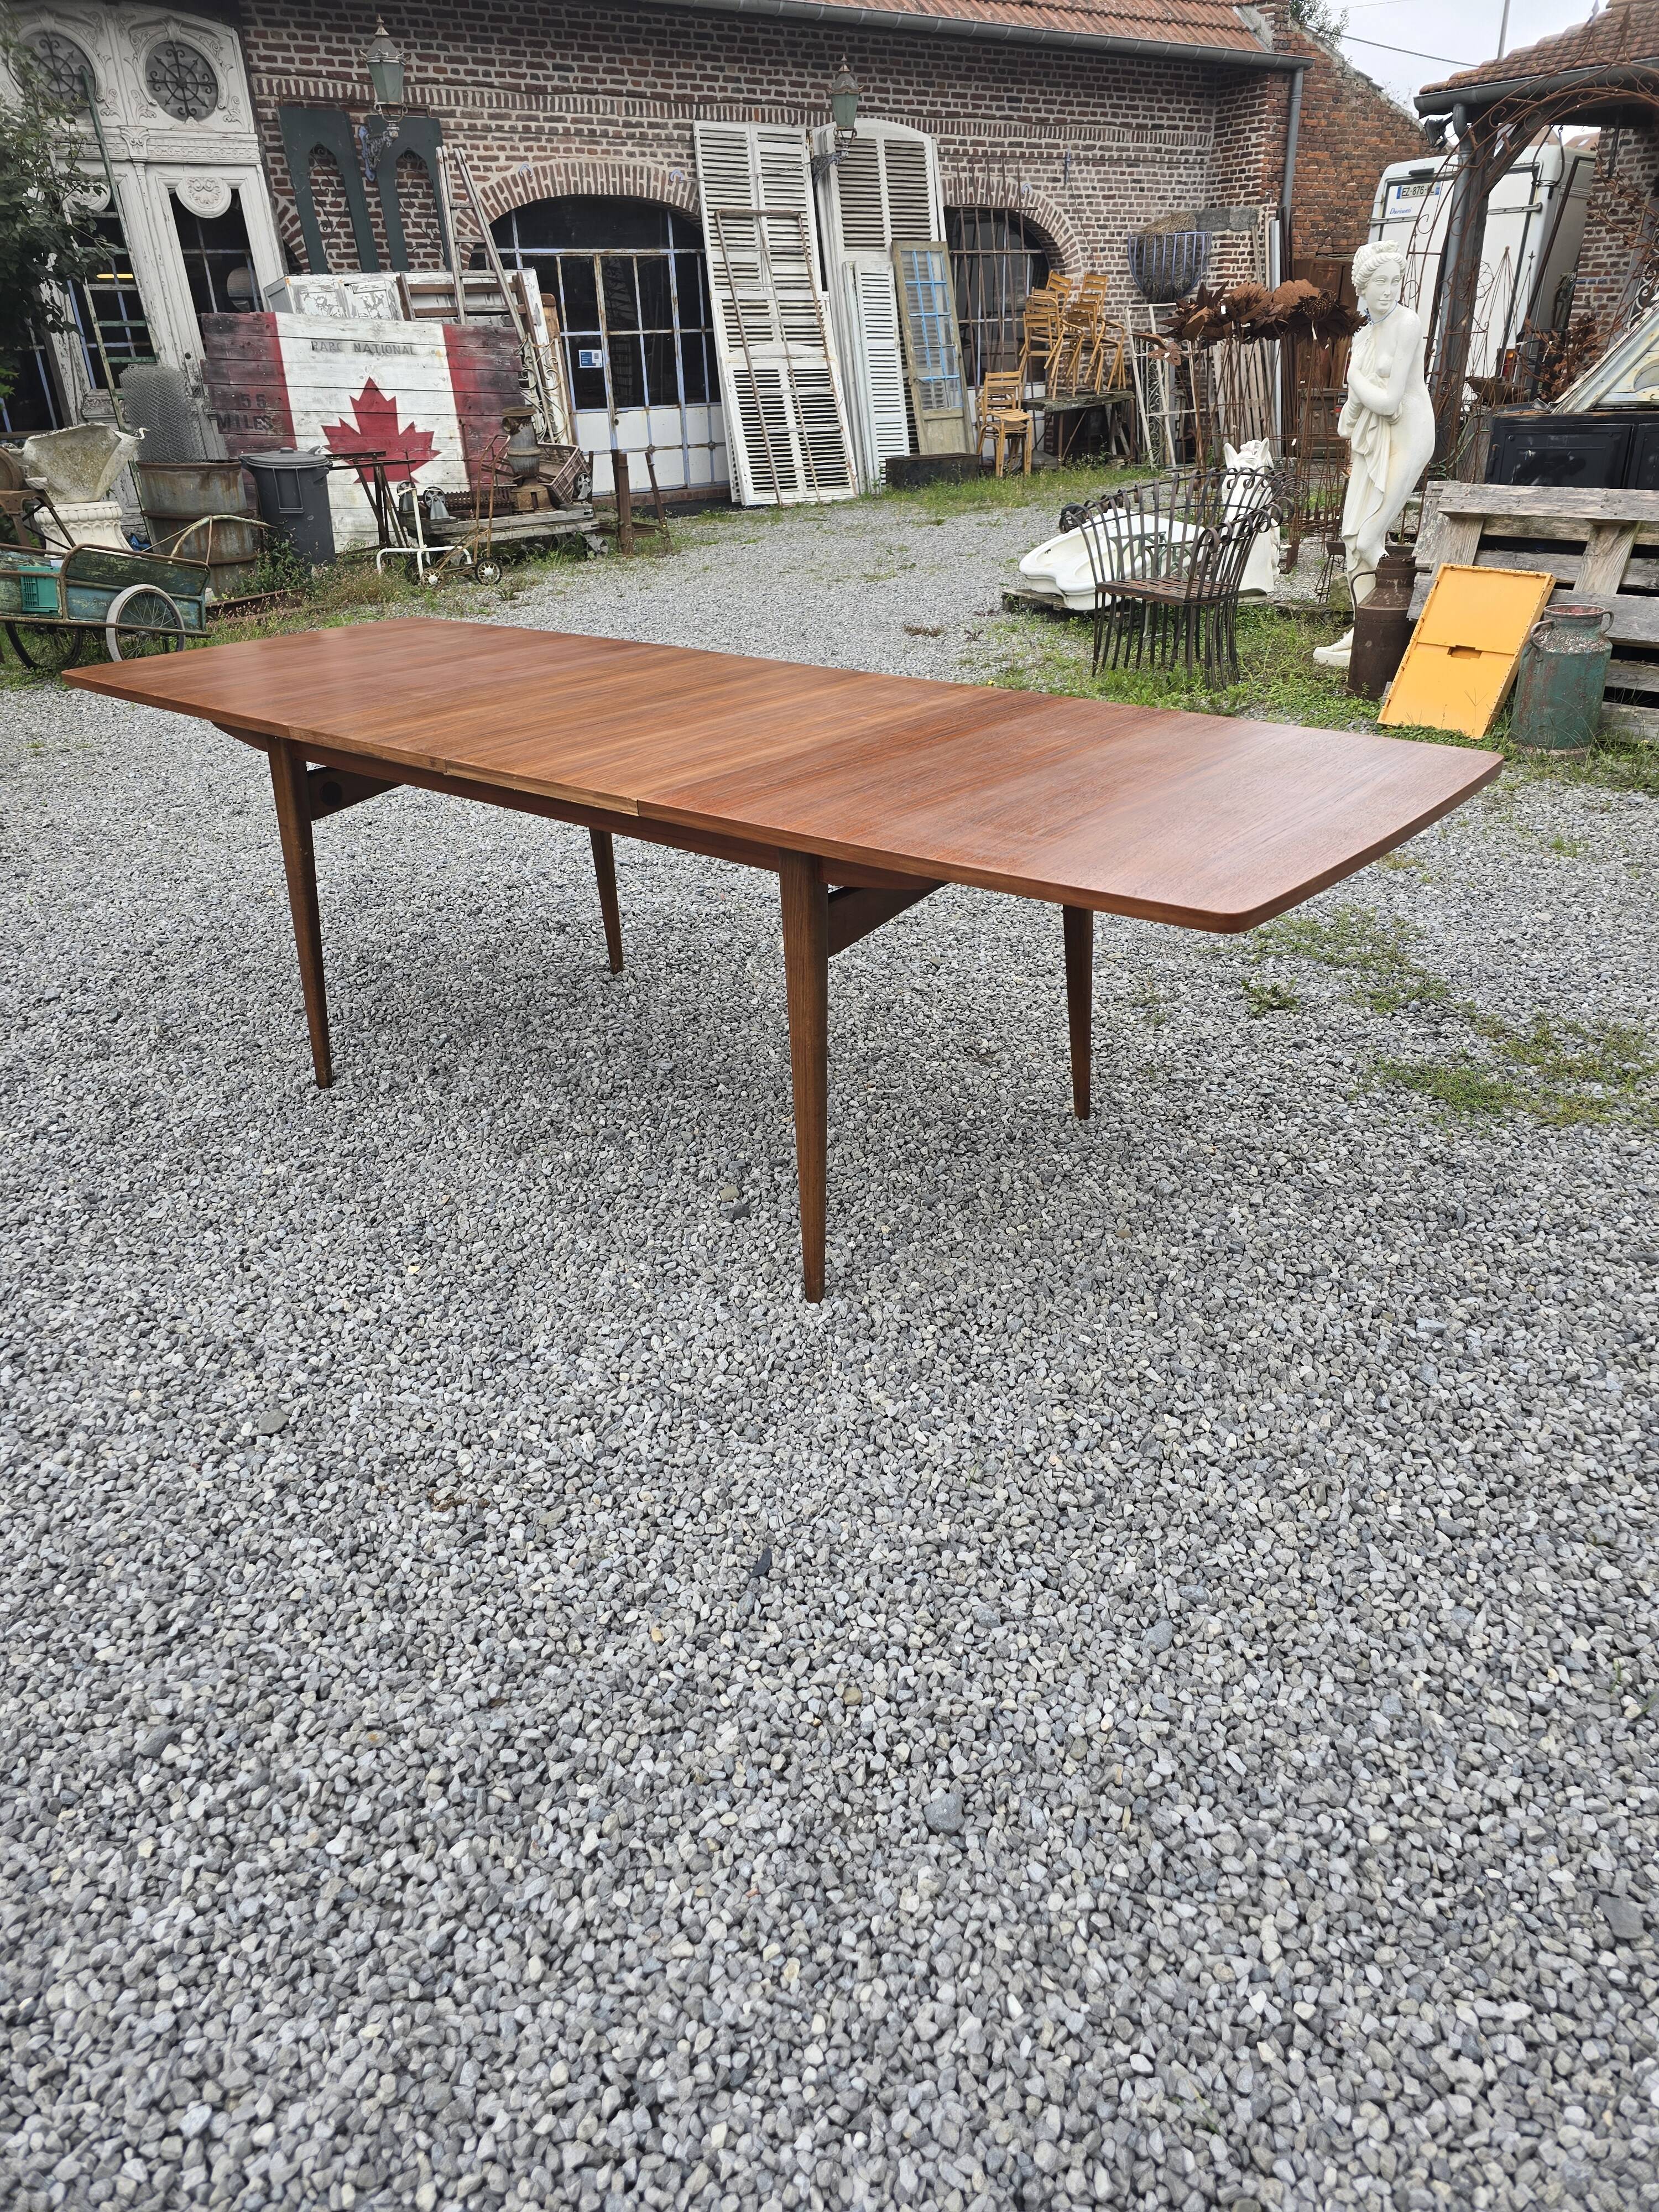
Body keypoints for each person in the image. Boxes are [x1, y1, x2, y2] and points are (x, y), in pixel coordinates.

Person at [1312, 241, 1436, 674]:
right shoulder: (1365, 334)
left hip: (1408, 433)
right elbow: (1355, 413)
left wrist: (1352, 381)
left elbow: (1388, 401)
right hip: (1372, 438)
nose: (1389, 290)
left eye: (1395, 281)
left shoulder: (1408, 323)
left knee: (1370, 538)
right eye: (1379, 282)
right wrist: (1353, 401)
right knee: (1352, 539)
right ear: (1362, 288)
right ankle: (1362, 627)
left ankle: (1392, 630)